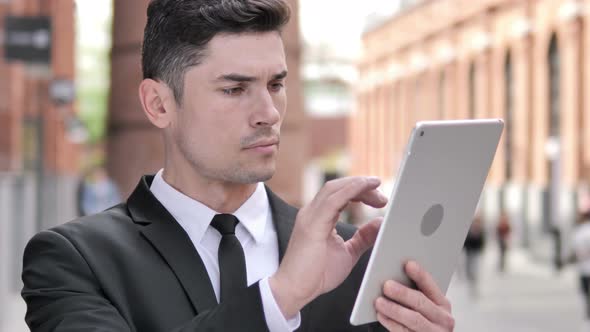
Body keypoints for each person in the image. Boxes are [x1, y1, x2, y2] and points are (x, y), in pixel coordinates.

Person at [21, 1, 455, 331]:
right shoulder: (74, 261)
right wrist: (280, 297)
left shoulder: (356, 259)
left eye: (276, 84)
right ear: (158, 104)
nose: (268, 111)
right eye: (234, 89)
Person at [568, 210, 590, 320]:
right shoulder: (580, 231)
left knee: (585, 290)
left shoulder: (580, 231)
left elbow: (575, 251)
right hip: (583, 267)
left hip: (584, 267)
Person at [463, 214, 485, 298]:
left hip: (476, 253)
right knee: (468, 268)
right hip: (469, 253)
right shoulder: (469, 232)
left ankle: (474, 283)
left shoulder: (480, 231)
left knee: (475, 269)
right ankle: (470, 279)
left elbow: (482, 242)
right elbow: (466, 243)